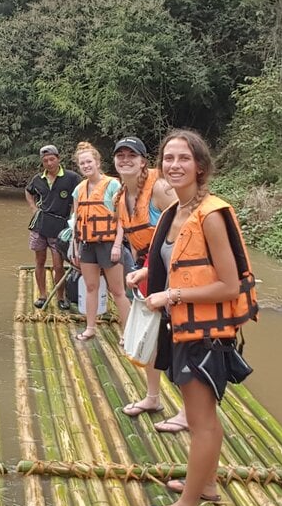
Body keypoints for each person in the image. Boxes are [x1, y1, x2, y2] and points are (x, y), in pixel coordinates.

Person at [134, 129, 258, 506]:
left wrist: (171, 295)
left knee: (201, 420)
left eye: (183, 158)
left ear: (200, 166)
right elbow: (182, 261)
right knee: (203, 415)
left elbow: (228, 284)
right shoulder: (177, 212)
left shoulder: (211, 214)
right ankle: (204, 483)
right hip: (185, 330)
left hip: (206, 335)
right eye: (168, 158)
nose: (174, 165)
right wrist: (146, 274)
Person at [113, 137, 183, 433]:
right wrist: (144, 270)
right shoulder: (119, 196)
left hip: (175, 269)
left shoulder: (159, 188)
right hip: (148, 267)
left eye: (133, 155)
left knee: (181, 339)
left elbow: (186, 226)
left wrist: (163, 273)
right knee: (152, 337)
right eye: (120, 155)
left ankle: (190, 410)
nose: (125, 159)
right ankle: (153, 398)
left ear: (144, 161)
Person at [69, 141, 131, 341]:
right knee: (90, 287)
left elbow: (122, 218)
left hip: (108, 243)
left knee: (117, 290)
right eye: (82, 164)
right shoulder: (78, 190)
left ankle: (127, 333)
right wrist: (75, 246)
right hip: (87, 244)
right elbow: (77, 220)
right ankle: (90, 327)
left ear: (97, 162)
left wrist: (116, 245)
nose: (86, 166)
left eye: (89, 162)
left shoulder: (113, 185)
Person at [25, 144, 80, 310]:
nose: (49, 163)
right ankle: (42, 295)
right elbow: (28, 191)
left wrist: (74, 215)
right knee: (39, 261)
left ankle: (61, 297)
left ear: (58, 158)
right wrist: (34, 208)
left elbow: (81, 193)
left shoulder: (71, 177)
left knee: (58, 265)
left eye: (52, 159)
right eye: (45, 161)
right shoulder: (38, 179)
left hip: (60, 226)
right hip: (40, 225)